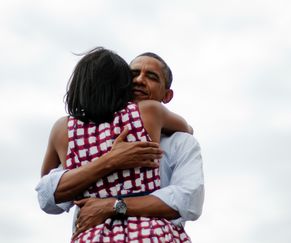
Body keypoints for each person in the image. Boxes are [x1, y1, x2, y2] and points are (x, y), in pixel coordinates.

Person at [37, 47, 204, 242]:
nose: (139, 80)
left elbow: (188, 200)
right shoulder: (150, 114)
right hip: (152, 235)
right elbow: (48, 194)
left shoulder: (69, 133)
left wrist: (112, 205)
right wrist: (110, 160)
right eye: (133, 74)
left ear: (167, 95)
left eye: (151, 76)